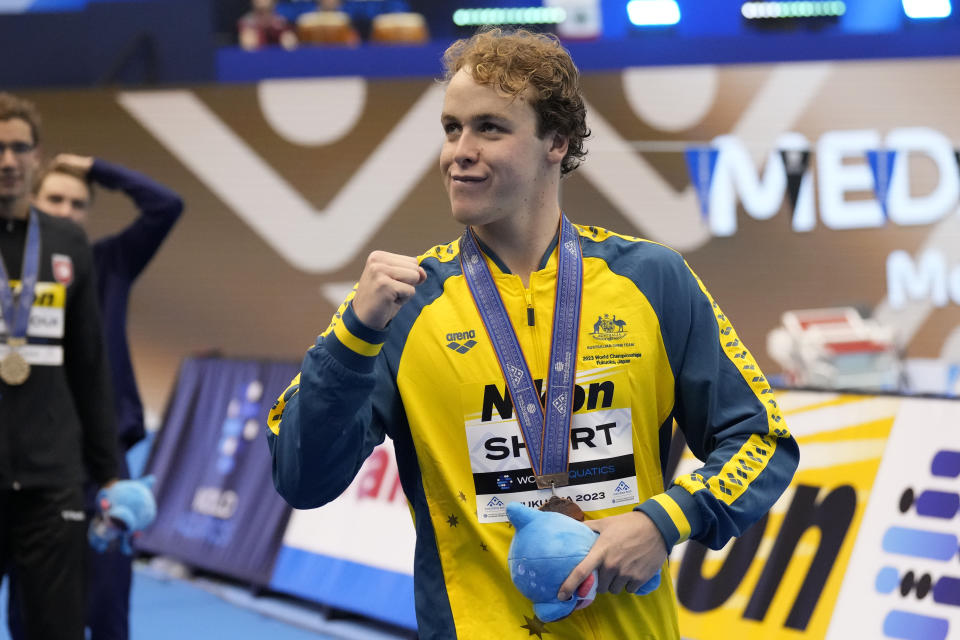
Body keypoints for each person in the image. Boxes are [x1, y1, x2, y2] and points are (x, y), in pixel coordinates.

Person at [267, 29, 799, 639]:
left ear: (558, 142)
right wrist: (353, 338)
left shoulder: (652, 280)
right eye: (450, 128)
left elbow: (762, 440)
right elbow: (301, 480)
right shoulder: (400, 307)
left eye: (490, 127)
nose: (458, 152)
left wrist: (664, 521)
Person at [7, 154, 182, 640]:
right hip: (33, 462)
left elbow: (167, 206)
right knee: (31, 608)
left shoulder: (109, 262)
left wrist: (97, 167)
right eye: (55, 199)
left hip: (103, 465)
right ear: (33, 202)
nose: (67, 210)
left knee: (107, 609)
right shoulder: (11, 266)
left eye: (78, 203)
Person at [0, 94, 119, 640]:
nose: (7, 160)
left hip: (53, 482)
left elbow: (90, 366)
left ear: (36, 155)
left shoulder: (68, 241)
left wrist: (112, 472)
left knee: (57, 630)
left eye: (19, 147)